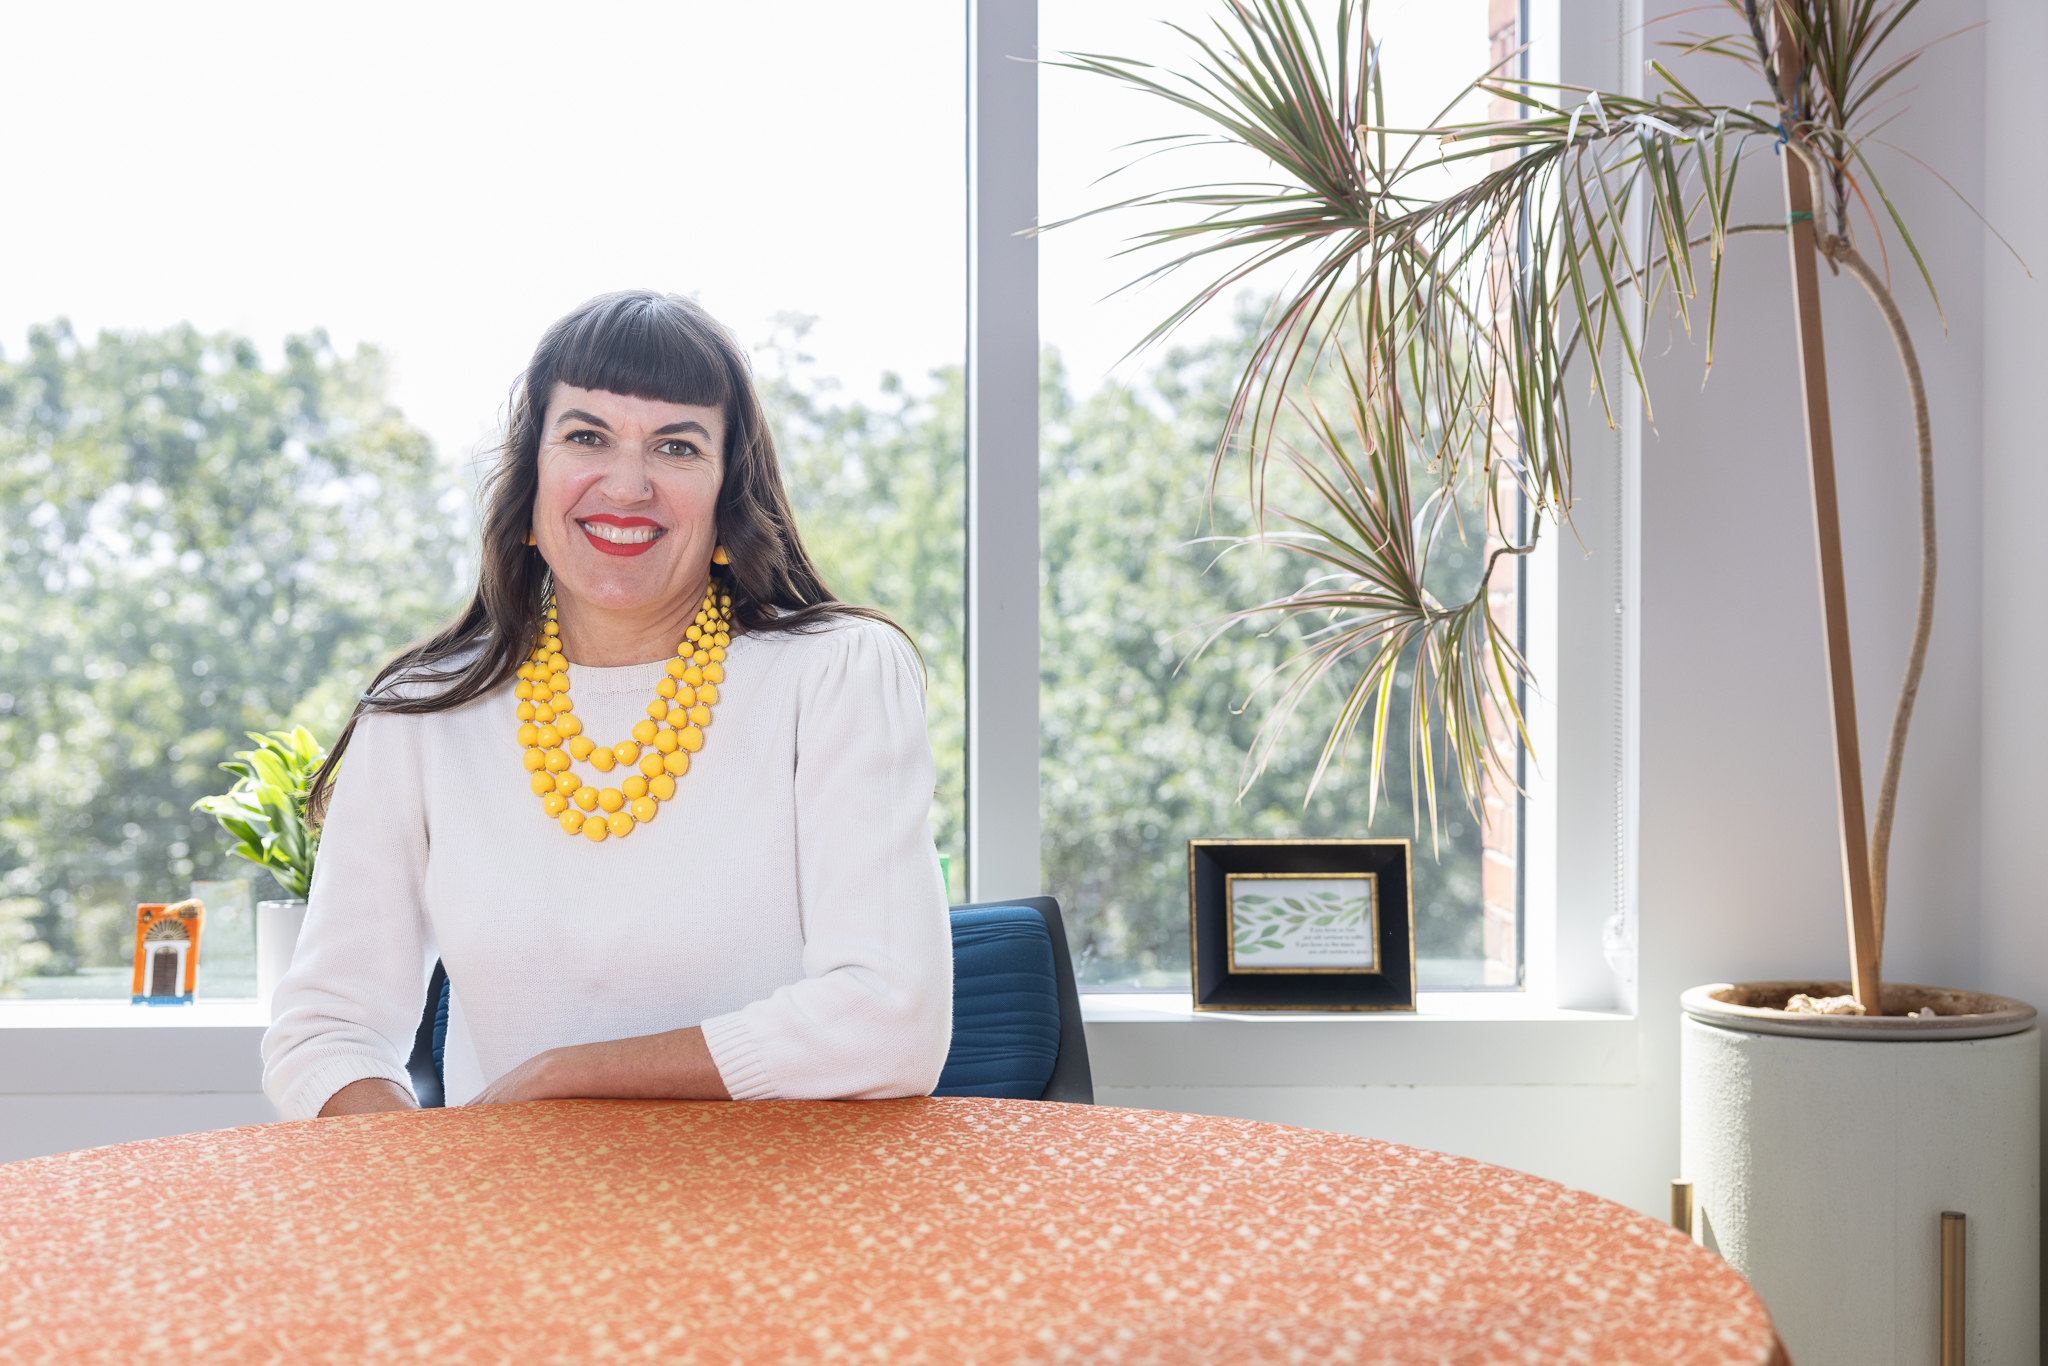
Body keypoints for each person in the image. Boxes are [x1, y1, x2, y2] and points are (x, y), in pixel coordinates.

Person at [261, 291, 953, 1119]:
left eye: (677, 445)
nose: (627, 484)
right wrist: (431, 1181)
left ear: (728, 495)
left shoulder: (837, 673)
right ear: (529, 487)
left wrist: (564, 1076)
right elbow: (325, 1030)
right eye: (587, 436)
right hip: (509, 1218)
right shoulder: (419, 715)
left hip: (781, 1216)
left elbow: (891, 1020)